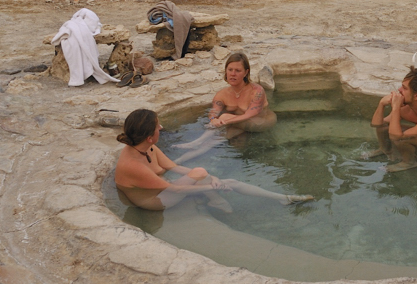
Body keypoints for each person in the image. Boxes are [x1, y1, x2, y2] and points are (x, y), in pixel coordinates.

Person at [114, 109, 312, 211]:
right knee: (217, 181)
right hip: (155, 202)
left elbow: (173, 167)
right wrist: (212, 187)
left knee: (203, 173)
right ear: (149, 136)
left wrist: (212, 177)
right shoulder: (133, 165)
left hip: (163, 189)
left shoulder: (146, 146)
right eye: (158, 126)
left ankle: (281, 199)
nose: (161, 128)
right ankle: (218, 198)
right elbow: (175, 189)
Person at [174, 52, 276, 162]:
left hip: (261, 121)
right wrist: (213, 120)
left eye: (238, 71)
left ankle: (197, 142)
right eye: (230, 70)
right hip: (238, 124)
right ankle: (176, 162)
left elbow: (250, 114)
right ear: (226, 71)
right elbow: (213, 112)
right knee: (214, 140)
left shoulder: (256, 91)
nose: (233, 74)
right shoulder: (222, 94)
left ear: (246, 72)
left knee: (224, 117)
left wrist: (225, 121)